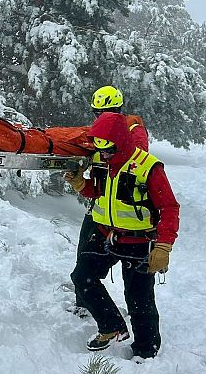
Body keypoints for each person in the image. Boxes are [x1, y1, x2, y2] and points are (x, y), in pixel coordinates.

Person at [65, 111, 179, 360]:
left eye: (108, 150)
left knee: (139, 298)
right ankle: (111, 326)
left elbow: (169, 207)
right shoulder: (101, 161)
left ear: (122, 143)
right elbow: (98, 192)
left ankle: (146, 351)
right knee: (82, 277)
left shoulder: (148, 168)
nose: (103, 154)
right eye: (100, 149)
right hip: (106, 235)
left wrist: (163, 247)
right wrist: (79, 184)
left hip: (138, 241)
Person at [68, 86, 149, 313]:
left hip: (127, 211)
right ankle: (83, 303)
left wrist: (99, 152)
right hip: (102, 201)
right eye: (97, 113)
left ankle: (137, 332)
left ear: (118, 109)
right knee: (84, 256)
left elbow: (133, 154)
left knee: (136, 283)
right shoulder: (100, 129)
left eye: (105, 112)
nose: (101, 117)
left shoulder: (133, 128)